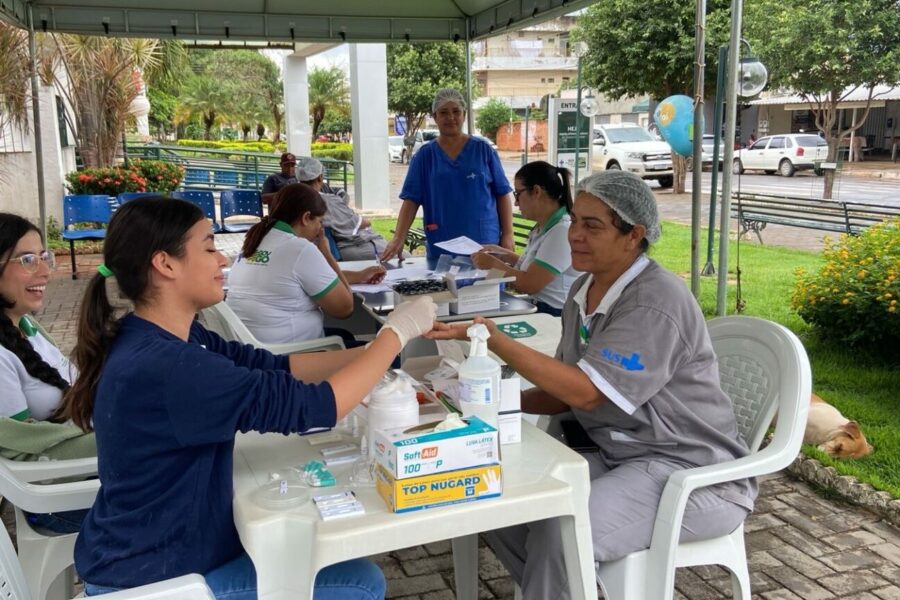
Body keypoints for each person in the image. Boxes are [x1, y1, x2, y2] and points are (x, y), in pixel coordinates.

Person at [58, 197, 437, 598]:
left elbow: (269, 367)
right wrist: (396, 333)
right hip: (159, 579)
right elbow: (317, 406)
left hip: (151, 551)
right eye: (208, 247)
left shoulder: (162, 336)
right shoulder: (171, 367)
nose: (223, 261)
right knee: (358, 583)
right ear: (165, 264)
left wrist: (377, 351)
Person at [427, 170, 756, 600]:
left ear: (633, 235)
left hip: (691, 472)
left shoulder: (653, 301)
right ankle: (571, 588)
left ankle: (563, 584)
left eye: (592, 225)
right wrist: (483, 404)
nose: (575, 236)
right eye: (576, 221)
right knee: (498, 499)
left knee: (562, 535)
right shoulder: (586, 289)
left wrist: (493, 339)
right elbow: (565, 390)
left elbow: (586, 391)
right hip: (624, 455)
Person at [0, 213, 95, 534]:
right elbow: (20, 450)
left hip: (84, 469)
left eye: (44, 257)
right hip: (55, 497)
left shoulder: (26, 326)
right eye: (27, 259)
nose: (44, 271)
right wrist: (117, 439)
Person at [226, 184, 386, 344]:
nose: (320, 228)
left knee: (344, 336)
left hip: (250, 347)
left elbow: (303, 278)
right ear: (306, 217)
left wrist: (359, 276)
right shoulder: (299, 249)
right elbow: (345, 308)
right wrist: (326, 253)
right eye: (319, 221)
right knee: (381, 351)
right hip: (288, 354)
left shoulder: (257, 241)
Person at [380, 88, 515, 262]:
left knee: (485, 287)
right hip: (442, 241)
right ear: (435, 117)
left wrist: (508, 234)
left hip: (484, 240)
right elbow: (411, 200)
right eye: (444, 112)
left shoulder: (483, 150)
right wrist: (399, 238)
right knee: (444, 287)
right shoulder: (424, 156)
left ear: (464, 115)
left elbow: (502, 193)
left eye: (456, 112)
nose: (451, 117)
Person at [469, 161, 579, 317]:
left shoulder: (561, 232)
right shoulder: (544, 227)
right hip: (537, 307)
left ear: (536, 191)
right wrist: (503, 253)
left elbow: (530, 284)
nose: (515, 202)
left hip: (554, 315)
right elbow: (533, 266)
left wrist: (494, 265)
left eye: (518, 194)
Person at [296, 157, 389, 261]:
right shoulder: (326, 201)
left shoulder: (291, 199)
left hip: (318, 251)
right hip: (345, 247)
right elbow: (360, 223)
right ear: (320, 177)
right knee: (402, 255)